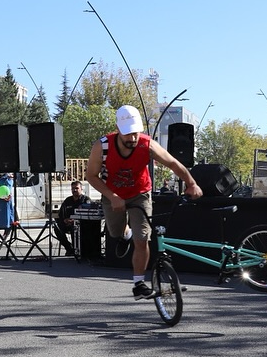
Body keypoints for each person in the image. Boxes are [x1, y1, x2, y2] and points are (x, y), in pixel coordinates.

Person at [85, 104, 203, 299]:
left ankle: (138, 283)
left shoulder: (147, 144)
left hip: (140, 193)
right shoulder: (102, 146)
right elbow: (91, 175)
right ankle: (125, 234)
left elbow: (173, 163)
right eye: (128, 134)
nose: (132, 138)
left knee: (142, 239)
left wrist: (192, 183)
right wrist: (112, 196)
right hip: (112, 193)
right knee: (115, 232)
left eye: (135, 133)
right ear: (118, 129)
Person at [54, 181, 91, 255]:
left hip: (81, 224)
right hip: (68, 223)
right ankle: (69, 248)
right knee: (57, 228)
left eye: (77, 188)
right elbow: (61, 214)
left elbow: (90, 215)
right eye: (73, 188)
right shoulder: (68, 200)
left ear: (81, 189)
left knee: (74, 228)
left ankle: (76, 250)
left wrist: (75, 221)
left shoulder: (86, 200)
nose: (74, 190)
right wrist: (65, 220)